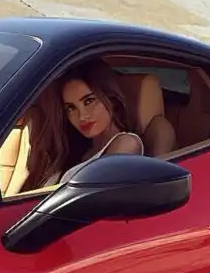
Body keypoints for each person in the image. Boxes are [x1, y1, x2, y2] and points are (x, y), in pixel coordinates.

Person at [22, 59, 144, 191]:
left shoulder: (126, 143)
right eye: (71, 108)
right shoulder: (76, 149)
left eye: (89, 101)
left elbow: (98, 197)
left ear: (111, 99)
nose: (82, 116)